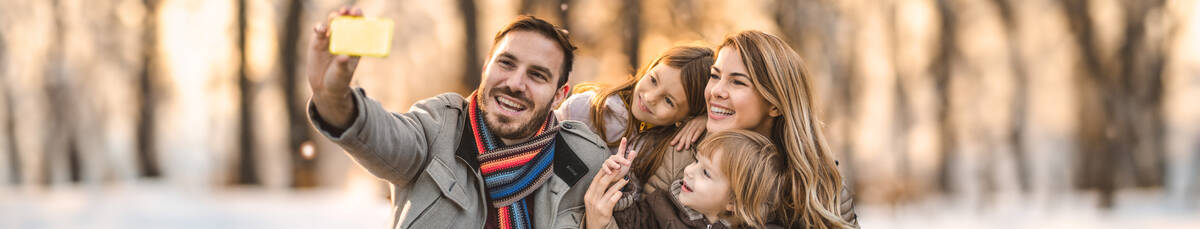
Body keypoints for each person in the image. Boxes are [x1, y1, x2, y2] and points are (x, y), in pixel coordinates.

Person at [305, 7, 607, 228]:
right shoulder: (438, 127)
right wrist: (333, 97)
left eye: (537, 75)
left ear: (559, 94)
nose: (515, 83)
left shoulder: (584, 162)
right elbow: (378, 135)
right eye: (506, 63)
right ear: (486, 67)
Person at [585, 30, 860, 229]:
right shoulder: (680, 152)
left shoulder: (816, 180)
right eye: (715, 76)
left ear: (775, 104)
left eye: (737, 82)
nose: (716, 91)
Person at [555, 45, 714, 193]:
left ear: (687, 117)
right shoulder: (587, 107)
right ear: (650, 67)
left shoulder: (668, 151)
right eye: (653, 80)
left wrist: (706, 119)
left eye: (668, 101)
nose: (650, 97)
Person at [586, 130, 790, 229]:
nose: (690, 171)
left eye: (706, 173)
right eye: (696, 161)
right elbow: (627, 222)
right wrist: (621, 184)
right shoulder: (661, 206)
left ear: (733, 202)